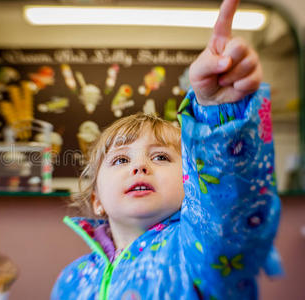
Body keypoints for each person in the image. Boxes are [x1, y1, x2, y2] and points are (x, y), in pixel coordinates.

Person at [51, 0, 283, 299]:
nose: (140, 167)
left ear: (190, 182)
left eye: (160, 156)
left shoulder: (197, 250)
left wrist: (218, 110)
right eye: (121, 159)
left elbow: (227, 206)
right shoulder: (71, 279)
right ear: (97, 201)